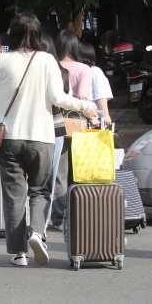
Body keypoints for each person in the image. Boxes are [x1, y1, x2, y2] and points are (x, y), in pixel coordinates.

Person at [0, 12, 97, 267]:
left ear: (12, 33)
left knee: (14, 195)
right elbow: (58, 99)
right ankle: (37, 232)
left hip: (10, 139)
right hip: (42, 138)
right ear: (37, 33)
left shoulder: (3, 60)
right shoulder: (48, 60)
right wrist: (85, 107)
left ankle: (19, 253)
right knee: (39, 191)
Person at [51, 29, 94, 229]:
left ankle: (59, 217)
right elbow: (83, 98)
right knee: (81, 171)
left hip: (57, 124)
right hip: (79, 126)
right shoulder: (84, 69)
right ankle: (81, 214)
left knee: (60, 171)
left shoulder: (53, 65)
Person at [40, 31, 69, 236]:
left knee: (36, 178)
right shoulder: (62, 71)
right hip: (57, 127)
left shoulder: (36, 70)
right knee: (54, 176)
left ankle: (38, 221)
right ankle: (48, 219)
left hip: (38, 127)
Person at [78, 41, 113, 126]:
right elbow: (101, 95)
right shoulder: (95, 71)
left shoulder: (77, 70)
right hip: (92, 116)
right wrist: (106, 115)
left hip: (78, 114)